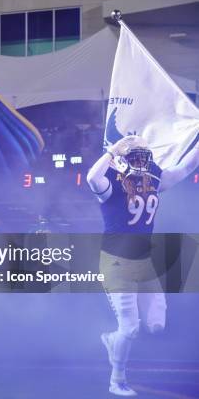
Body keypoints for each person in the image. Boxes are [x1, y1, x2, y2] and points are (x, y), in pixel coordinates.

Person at [87, 135, 199, 396]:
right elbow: (93, 177)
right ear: (121, 158)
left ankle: (113, 340)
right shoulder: (111, 182)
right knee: (131, 328)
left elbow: (186, 167)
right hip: (116, 261)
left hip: (143, 261)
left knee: (157, 323)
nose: (140, 159)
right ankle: (117, 380)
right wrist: (112, 150)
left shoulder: (154, 179)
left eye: (142, 154)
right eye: (133, 154)